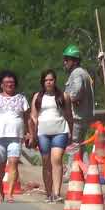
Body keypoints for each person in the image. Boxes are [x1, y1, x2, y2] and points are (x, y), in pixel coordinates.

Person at [0, 70, 31, 203]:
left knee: (14, 163)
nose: (10, 84)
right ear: (1, 85)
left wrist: (30, 133)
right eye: (7, 82)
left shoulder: (21, 98)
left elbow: (28, 118)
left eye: (12, 82)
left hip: (16, 136)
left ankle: (9, 193)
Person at [30, 70, 73, 203]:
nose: (49, 82)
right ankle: (48, 193)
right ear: (43, 82)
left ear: (55, 81)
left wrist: (70, 132)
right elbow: (33, 116)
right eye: (46, 80)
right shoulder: (38, 97)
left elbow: (68, 115)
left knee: (57, 159)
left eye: (51, 80)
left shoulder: (63, 96)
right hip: (43, 133)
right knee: (46, 161)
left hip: (60, 131)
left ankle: (56, 192)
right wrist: (33, 134)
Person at [62, 44, 94, 181]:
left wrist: (68, 99)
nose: (65, 62)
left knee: (73, 144)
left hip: (77, 116)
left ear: (74, 61)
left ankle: (71, 173)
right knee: (81, 144)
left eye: (67, 60)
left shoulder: (77, 74)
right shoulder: (84, 73)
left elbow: (77, 91)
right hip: (84, 114)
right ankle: (87, 172)